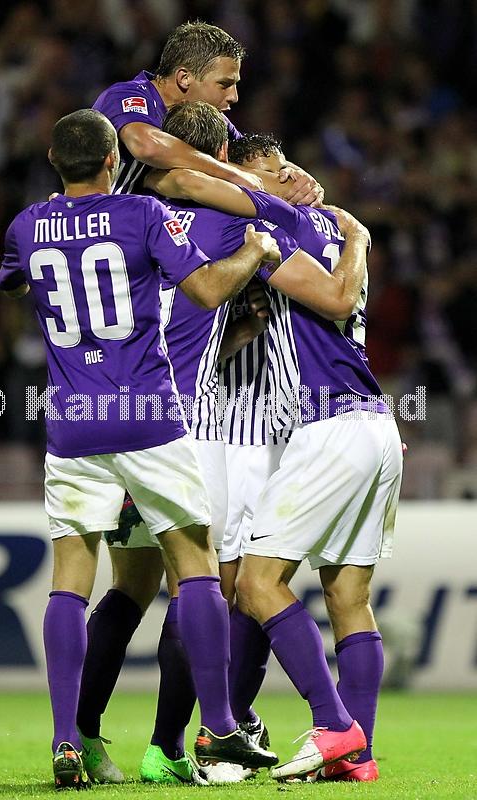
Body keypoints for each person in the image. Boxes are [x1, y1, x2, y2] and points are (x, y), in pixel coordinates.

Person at [77, 101, 369, 785]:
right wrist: (312, 220)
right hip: (193, 428)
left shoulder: (126, 218)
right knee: (212, 584)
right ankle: (195, 738)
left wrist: (236, 329)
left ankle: (80, 735)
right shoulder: (234, 222)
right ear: (221, 163)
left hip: (104, 413)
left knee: (128, 585)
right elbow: (322, 297)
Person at [0, 108, 281, 790]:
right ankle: (219, 724)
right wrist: (256, 252)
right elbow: (206, 290)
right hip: (148, 415)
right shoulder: (140, 215)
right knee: (196, 565)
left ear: (53, 159)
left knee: (71, 578)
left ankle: (68, 739)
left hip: (73, 421)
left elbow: (15, 285)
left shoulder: (26, 225)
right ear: (110, 161)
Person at [146, 117, 403, 781]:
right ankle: (357, 756)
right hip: (378, 426)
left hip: (329, 426)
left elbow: (180, 179)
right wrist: (359, 235)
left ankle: (333, 727)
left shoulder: (278, 222)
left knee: (256, 584)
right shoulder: (334, 231)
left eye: (261, 175)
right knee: (349, 597)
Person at [92, 20, 322, 203]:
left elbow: (254, 157)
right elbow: (147, 146)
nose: (234, 96)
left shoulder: (207, 118)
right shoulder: (126, 96)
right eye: (224, 84)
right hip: (96, 228)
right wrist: (228, 172)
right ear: (184, 78)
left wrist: (297, 176)